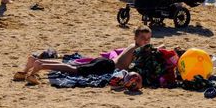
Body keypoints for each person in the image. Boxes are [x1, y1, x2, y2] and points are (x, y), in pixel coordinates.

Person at [15, 26, 152, 85]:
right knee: (74, 70)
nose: (146, 41)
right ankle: (41, 65)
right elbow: (154, 52)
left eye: (148, 39)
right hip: (107, 66)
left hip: (104, 62)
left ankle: (35, 62)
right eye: (143, 38)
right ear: (135, 38)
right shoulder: (137, 49)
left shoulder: (132, 45)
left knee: (72, 65)